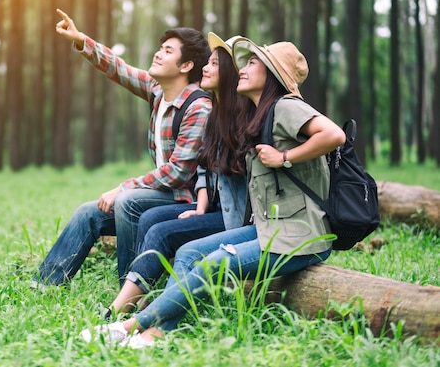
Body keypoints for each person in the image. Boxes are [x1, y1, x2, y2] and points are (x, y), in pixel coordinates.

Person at [80, 36, 346, 348]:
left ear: (272, 74)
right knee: (189, 252)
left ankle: (130, 325)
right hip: (268, 229)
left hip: (301, 238)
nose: (242, 69)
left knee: (212, 264)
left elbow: (334, 134)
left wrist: (284, 157)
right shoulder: (260, 114)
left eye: (251, 64)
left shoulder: (285, 107)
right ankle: (158, 333)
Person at [32, 9, 212, 288]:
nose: (158, 54)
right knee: (87, 213)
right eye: (160, 48)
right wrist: (81, 40)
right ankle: (44, 284)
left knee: (127, 201)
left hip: (186, 200)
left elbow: (177, 173)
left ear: (186, 65)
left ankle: (129, 291)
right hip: (161, 194)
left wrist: (124, 187)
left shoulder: (198, 107)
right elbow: (117, 68)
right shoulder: (157, 91)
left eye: (167, 51)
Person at [103, 33, 250, 319]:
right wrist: (201, 207)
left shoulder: (238, 117)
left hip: (239, 217)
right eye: (206, 63)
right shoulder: (217, 111)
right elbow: (207, 168)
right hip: (215, 207)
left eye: (213, 65)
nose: (205, 69)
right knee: (149, 218)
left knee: (159, 229)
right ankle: (135, 294)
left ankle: (121, 309)